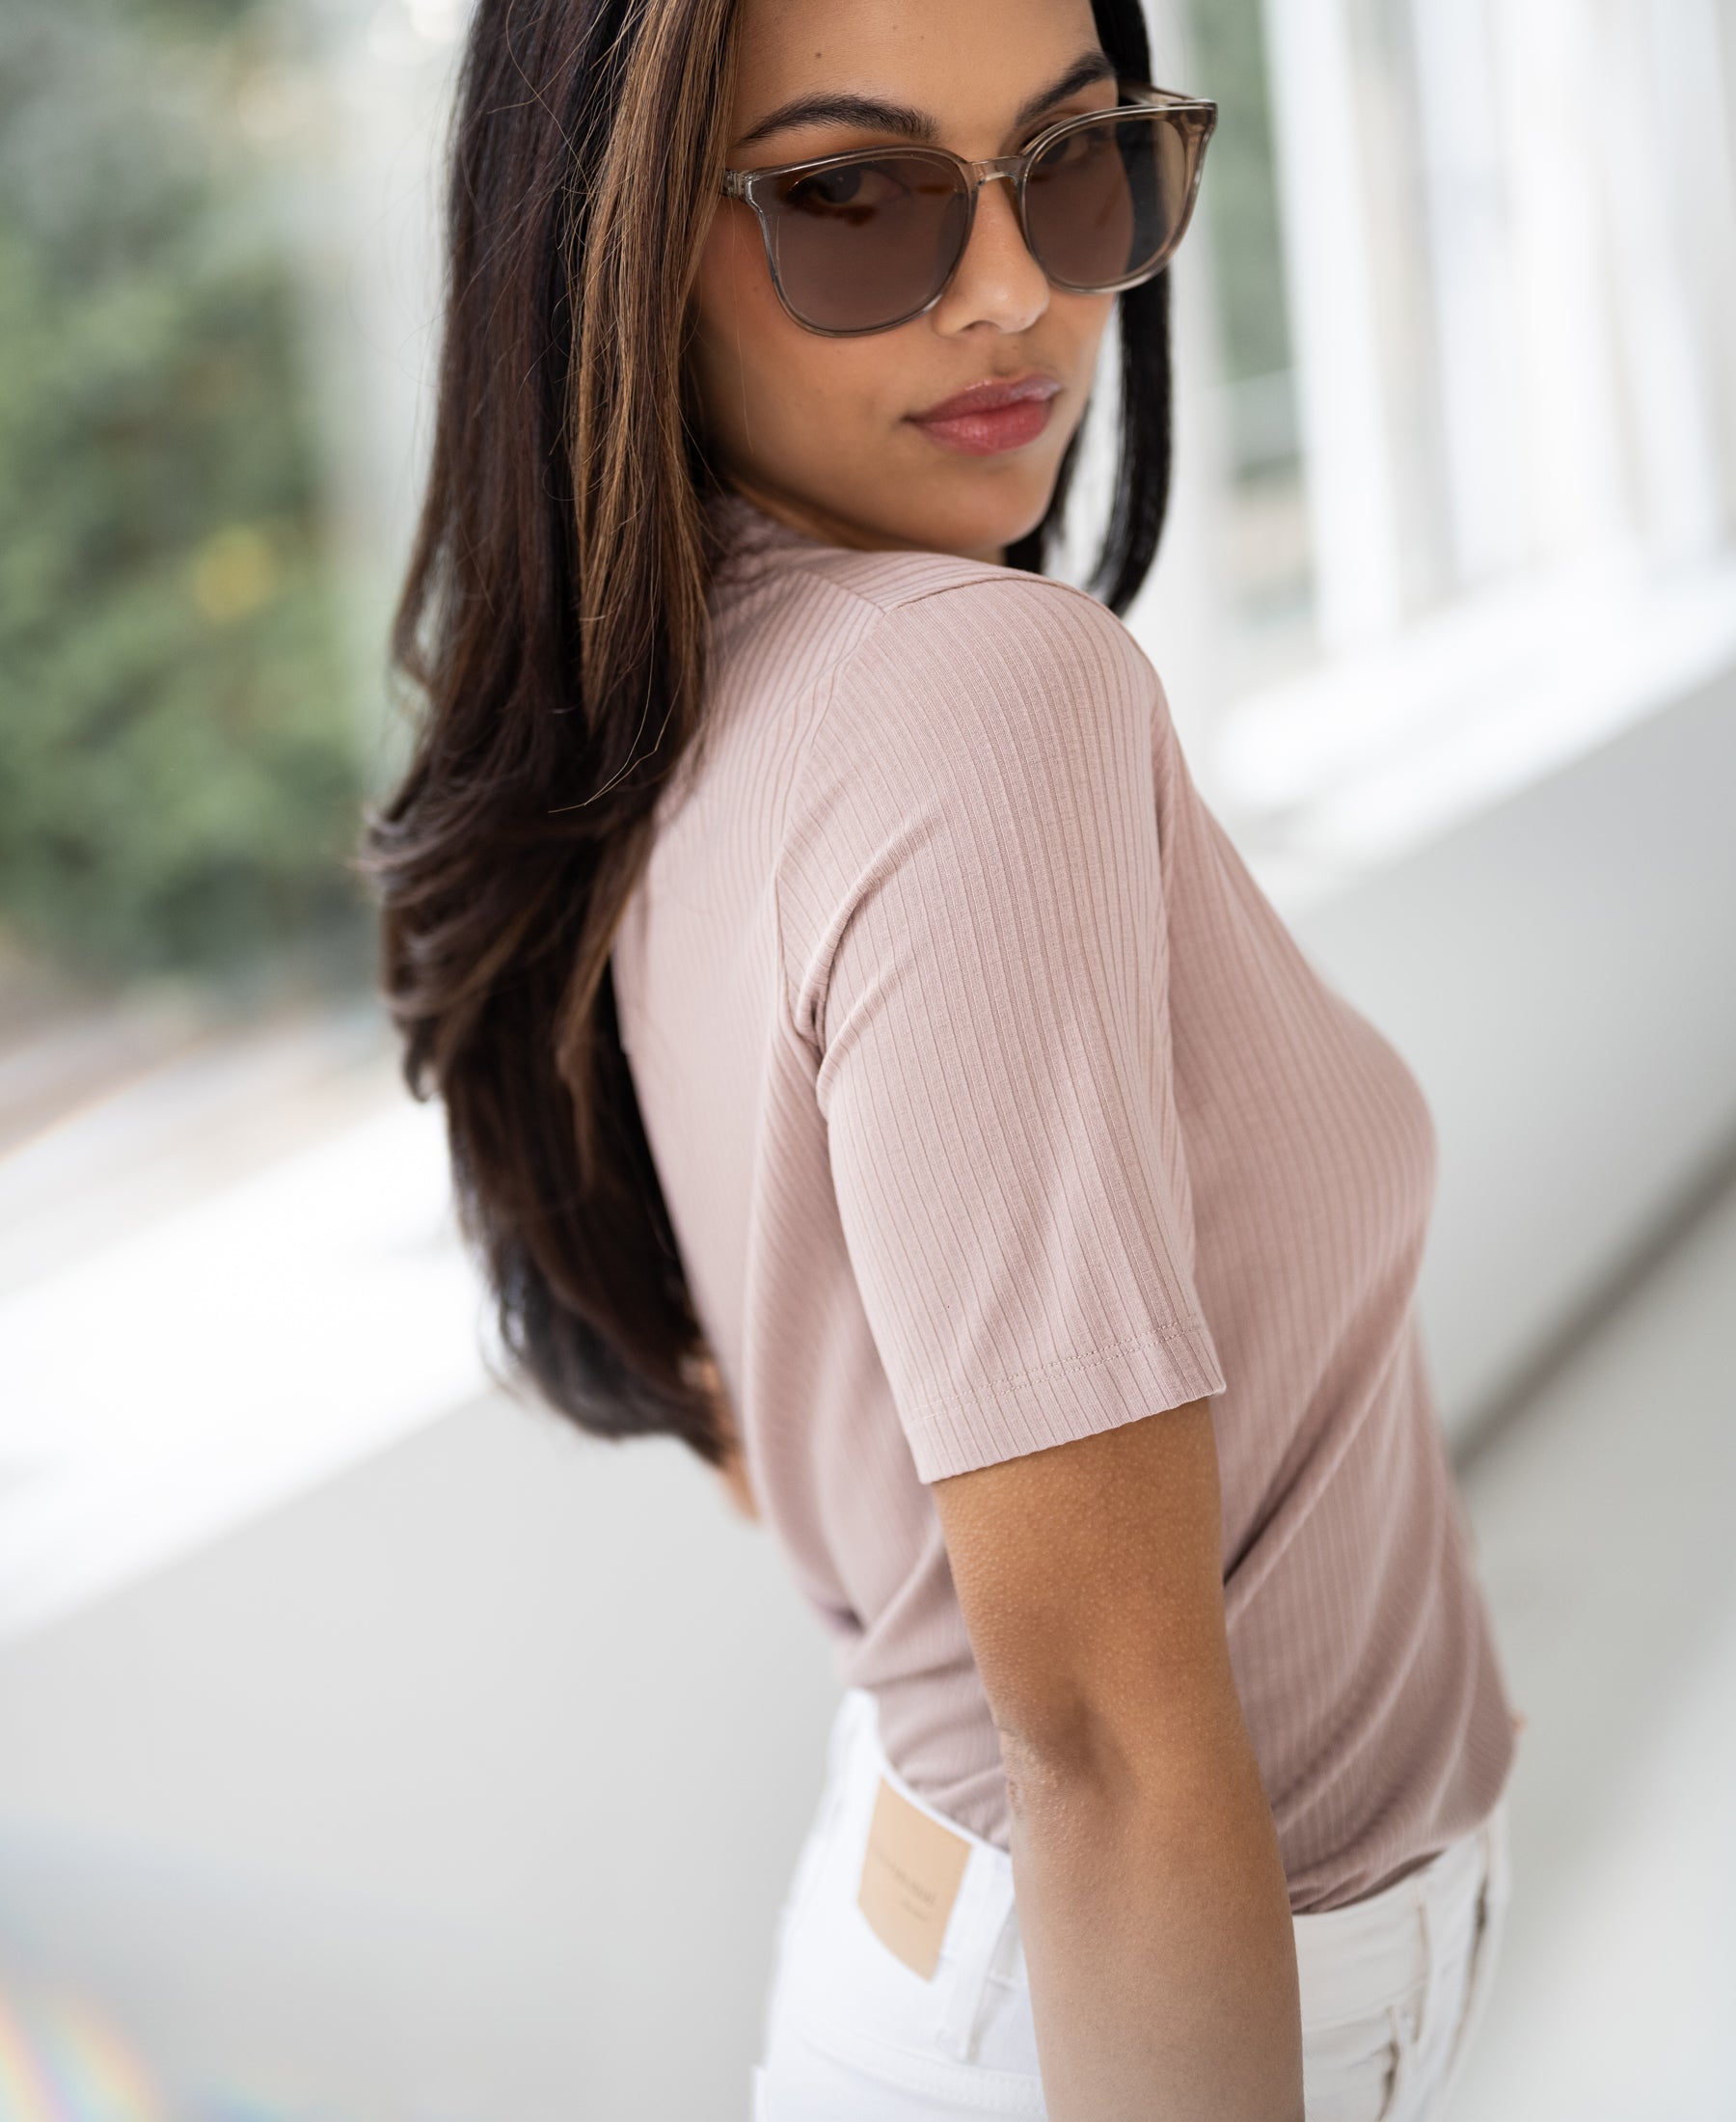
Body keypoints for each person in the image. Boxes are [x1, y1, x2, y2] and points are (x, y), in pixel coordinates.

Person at [359, 0, 1521, 2114]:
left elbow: (787, 1401)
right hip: (1124, 1982)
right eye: (851, 198)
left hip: (986, 1955)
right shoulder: (983, 697)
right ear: (614, 245)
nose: (1012, 289)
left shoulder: (684, 685)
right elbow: (1095, 1736)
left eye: (1080, 163)